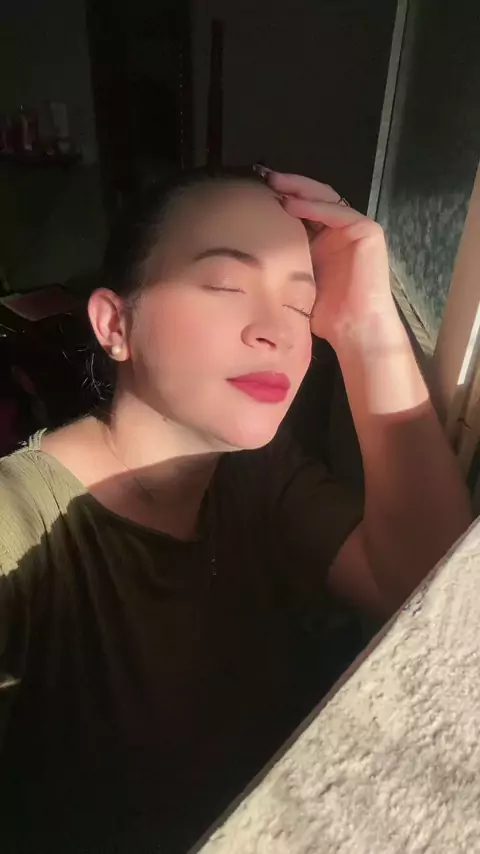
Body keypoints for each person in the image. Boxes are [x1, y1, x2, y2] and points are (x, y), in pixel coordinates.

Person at [0, 167, 471, 853]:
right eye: (225, 286)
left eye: (302, 305)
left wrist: (369, 326)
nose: (278, 332)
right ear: (115, 324)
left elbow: (435, 590)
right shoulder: (20, 524)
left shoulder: (256, 477)